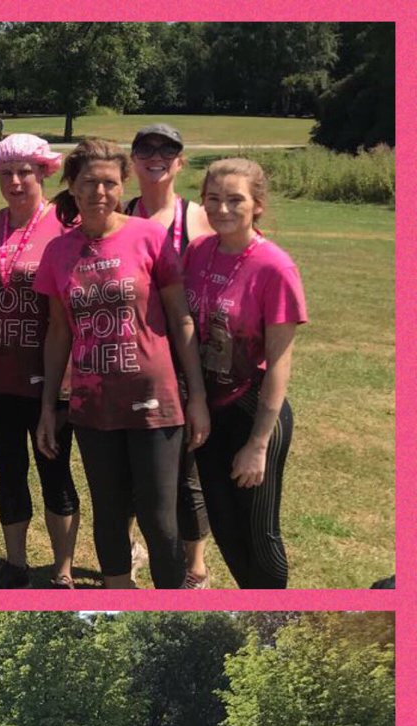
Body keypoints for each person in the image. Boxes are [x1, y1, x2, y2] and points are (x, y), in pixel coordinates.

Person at [34, 138, 209, 590]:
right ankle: (118, 592)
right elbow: (58, 333)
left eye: (110, 183)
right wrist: (49, 406)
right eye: (90, 183)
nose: (100, 192)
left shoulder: (149, 236)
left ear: (122, 185)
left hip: (155, 400)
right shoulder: (57, 252)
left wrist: (197, 396)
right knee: (109, 510)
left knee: (158, 516)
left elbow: (181, 318)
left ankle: (169, 603)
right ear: (72, 186)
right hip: (93, 404)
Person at [0, 134, 82, 588]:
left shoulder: (66, 229)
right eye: (6, 173)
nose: (16, 181)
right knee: (9, 470)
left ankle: (62, 571)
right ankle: (16, 563)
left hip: (52, 378)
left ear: (43, 172)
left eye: (25, 171)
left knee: (54, 469)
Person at [184, 158, 307, 589]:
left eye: (235, 200)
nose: (222, 209)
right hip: (209, 410)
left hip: (253, 408)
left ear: (257, 205)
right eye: (213, 198)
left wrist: (258, 443)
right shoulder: (198, 252)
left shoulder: (275, 267)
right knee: (223, 522)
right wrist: (197, 399)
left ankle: (273, 609)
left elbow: (280, 362)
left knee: (258, 530)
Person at [125, 124, 216, 589]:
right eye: (146, 148)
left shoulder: (199, 218)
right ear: (133, 160)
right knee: (128, 466)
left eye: (167, 149)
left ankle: (195, 564)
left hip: (184, 360)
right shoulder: (119, 213)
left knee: (186, 470)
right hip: (129, 361)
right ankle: (134, 547)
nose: (155, 156)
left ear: (180, 161)